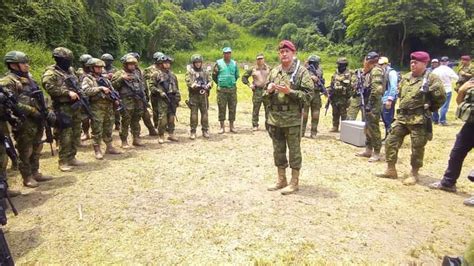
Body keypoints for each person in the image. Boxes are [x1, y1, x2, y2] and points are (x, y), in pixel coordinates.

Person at [377, 51, 446, 185]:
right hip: (402, 117)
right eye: (412, 62)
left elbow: (441, 98)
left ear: (425, 63)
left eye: (416, 62)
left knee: (417, 147)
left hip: (419, 119)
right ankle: (391, 169)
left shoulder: (432, 79)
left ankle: (414, 173)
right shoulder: (406, 77)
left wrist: (429, 108)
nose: (413, 64)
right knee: (391, 141)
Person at [264, 40, 314, 195]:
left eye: (287, 51)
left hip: (292, 120)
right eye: (281, 52)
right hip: (275, 119)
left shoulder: (301, 72)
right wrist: (269, 91)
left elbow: (309, 96)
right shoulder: (274, 71)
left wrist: (290, 92)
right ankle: (281, 179)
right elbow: (264, 96)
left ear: (294, 53)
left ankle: (294, 182)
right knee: (278, 150)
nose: (284, 54)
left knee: (294, 151)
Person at [0, 51, 53, 187]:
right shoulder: (8, 81)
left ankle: (35, 172)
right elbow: (11, 103)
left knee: (38, 146)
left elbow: (38, 96)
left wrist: (45, 110)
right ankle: (27, 176)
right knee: (25, 149)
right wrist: (32, 111)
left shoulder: (29, 78)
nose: (27, 65)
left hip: (37, 118)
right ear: (13, 65)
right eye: (23, 63)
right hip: (24, 120)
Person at [429, 79, 474, 206]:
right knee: (456, 153)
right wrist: (461, 91)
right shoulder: (471, 83)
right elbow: (461, 104)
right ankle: (448, 183)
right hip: (470, 125)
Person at [42, 47, 85, 172]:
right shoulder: (51, 73)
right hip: (63, 107)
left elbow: (77, 83)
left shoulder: (70, 70)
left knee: (77, 131)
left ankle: (72, 157)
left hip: (75, 106)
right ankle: (63, 161)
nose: (69, 62)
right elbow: (49, 88)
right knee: (65, 134)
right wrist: (66, 93)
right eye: (66, 60)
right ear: (59, 59)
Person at [81, 58, 122, 159]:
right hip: (96, 107)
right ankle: (97, 149)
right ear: (91, 68)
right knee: (97, 128)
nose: (99, 69)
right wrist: (99, 88)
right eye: (97, 67)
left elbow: (112, 90)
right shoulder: (88, 79)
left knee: (108, 127)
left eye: (101, 67)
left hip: (108, 106)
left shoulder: (105, 79)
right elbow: (86, 91)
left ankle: (109, 147)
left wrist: (116, 99)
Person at [355, 52, 384, 162]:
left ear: (368, 60)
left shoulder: (376, 70)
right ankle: (368, 149)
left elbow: (376, 90)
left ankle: (376, 152)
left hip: (373, 105)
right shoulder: (369, 72)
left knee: (374, 128)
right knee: (367, 127)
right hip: (367, 103)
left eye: (365, 60)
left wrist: (370, 104)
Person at [111, 54, 145, 148]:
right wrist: (122, 79)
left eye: (134, 64)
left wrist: (143, 98)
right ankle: (124, 140)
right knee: (126, 120)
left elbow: (142, 86)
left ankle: (136, 138)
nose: (132, 66)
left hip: (137, 99)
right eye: (130, 64)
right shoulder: (119, 74)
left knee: (136, 120)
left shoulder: (137, 73)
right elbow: (113, 86)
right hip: (126, 100)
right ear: (125, 65)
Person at [150, 55, 181, 144]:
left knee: (171, 117)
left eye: (168, 63)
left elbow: (176, 87)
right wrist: (160, 92)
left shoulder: (172, 75)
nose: (167, 65)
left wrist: (177, 98)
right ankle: (161, 135)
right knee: (162, 119)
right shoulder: (156, 74)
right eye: (165, 63)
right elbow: (151, 86)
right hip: (162, 99)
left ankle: (171, 134)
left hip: (172, 98)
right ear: (160, 64)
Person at [126, 52, 157, 136]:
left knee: (145, 113)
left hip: (141, 96)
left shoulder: (139, 71)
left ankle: (151, 129)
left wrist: (145, 95)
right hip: (130, 98)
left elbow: (143, 83)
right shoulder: (125, 72)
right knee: (131, 116)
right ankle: (134, 133)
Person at [212, 47, 240, 134]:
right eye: (225, 53)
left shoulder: (234, 63)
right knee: (221, 107)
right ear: (223, 54)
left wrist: (230, 81)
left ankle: (232, 126)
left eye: (229, 53)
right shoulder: (218, 63)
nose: (227, 55)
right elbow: (214, 76)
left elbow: (236, 75)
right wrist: (220, 82)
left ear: (231, 54)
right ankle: (222, 127)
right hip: (222, 90)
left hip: (232, 89)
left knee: (232, 107)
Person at [185, 54, 212, 139]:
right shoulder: (190, 72)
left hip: (203, 95)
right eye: (196, 62)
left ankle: (205, 130)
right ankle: (193, 131)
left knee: (205, 114)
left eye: (199, 62)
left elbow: (210, 80)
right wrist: (193, 85)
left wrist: (208, 85)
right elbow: (188, 80)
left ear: (201, 62)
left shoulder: (205, 71)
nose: (197, 64)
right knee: (194, 114)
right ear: (193, 63)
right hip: (194, 95)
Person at [241, 53, 270, 131]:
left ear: (264, 59)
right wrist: (249, 84)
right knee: (256, 108)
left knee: (268, 108)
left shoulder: (269, 68)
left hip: (266, 90)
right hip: (257, 91)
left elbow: (274, 77)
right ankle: (255, 124)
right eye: (258, 59)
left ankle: (268, 125)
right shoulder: (252, 69)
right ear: (256, 60)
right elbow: (244, 77)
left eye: (261, 59)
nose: (260, 60)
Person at [328, 57, 352, 132]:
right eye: (338, 64)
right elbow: (332, 83)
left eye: (341, 64)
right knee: (335, 112)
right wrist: (330, 92)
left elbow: (351, 85)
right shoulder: (336, 73)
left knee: (343, 113)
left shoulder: (349, 74)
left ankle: (345, 128)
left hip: (344, 97)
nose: (339, 66)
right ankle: (335, 126)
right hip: (335, 96)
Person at [432, 56, 458, 126]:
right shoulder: (448, 70)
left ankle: (435, 120)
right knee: (444, 106)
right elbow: (456, 78)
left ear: (440, 62)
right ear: (447, 62)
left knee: (436, 104)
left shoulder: (436, 70)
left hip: (437, 89)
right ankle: (442, 121)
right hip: (447, 89)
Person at [302, 55, 324, 138]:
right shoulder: (305, 69)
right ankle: (305, 132)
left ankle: (311, 132)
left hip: (313, 93)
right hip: (309, 93)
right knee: (305, 113)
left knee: (314, 113)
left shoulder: (317, 70)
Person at [144, 52, 164, 130]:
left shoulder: (163, 68)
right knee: (155, 110)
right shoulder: (149, 69)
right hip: (154, 92)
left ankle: (163, 124)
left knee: (163, 110)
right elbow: (143, 79)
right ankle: (156, 125)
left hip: (163, 91)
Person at [379, 56, 398, 136]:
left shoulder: (391, 73)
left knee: (388, 119)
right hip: (383, 99)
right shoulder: (383, 72)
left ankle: (389, 137)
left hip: (388, 99)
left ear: (386, 64)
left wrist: (389, 100)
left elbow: (393, 87)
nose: (380, 66)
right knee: (384, 118)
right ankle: (388, 136)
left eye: (381, 64)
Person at [101, 53, 120, 130]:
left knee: (116, 108)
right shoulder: (100, 69)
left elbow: (118, 79)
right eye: (106, 61)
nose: (107, 62)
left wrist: (113, 76)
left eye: (109, 61)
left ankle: (117, 123)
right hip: (103, 91)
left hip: (113, 90)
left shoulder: (115, 69)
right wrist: (105, 76)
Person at [77, 54, 93, 142]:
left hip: (92, 95)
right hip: (82, 96)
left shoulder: (93, 71)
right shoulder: (79, 72)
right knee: (84, 117)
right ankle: (86, 132)